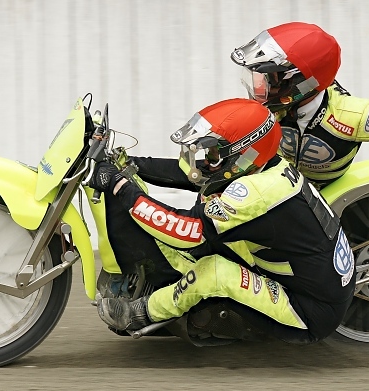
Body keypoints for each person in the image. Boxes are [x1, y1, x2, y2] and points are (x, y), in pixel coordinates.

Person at [87, 98, 355, 345]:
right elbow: (192, 175)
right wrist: (126, 163)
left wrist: (121, 187)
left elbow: (185, 231)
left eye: (214, 154)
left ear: (245, 155)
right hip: (306, 274)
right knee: (207, 212)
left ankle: (139, 313)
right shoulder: (265, 164)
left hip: (309, 309)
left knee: (212, 269)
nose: (206, 160)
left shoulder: (256, 193)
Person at [230, 21, 369, 190]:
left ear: (301, 83)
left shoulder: (355, 116)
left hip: (325, 197)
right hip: (282, 184)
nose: (258, 89)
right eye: (256, 78)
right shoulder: (270, 108)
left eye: (270, 81)